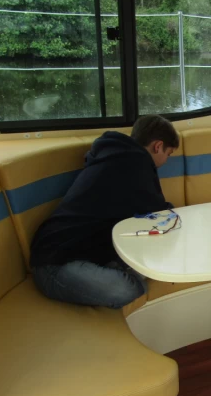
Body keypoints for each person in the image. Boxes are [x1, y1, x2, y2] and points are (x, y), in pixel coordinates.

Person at [30, 115, 178, 308]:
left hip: (83, 251)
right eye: (169, 154)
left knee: (147, 263)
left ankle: (113, 269)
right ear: (158, 146)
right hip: (54, 264)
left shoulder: (115, 156)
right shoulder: (135, 164)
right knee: (130, 289)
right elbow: (157, 216)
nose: (166, 161)